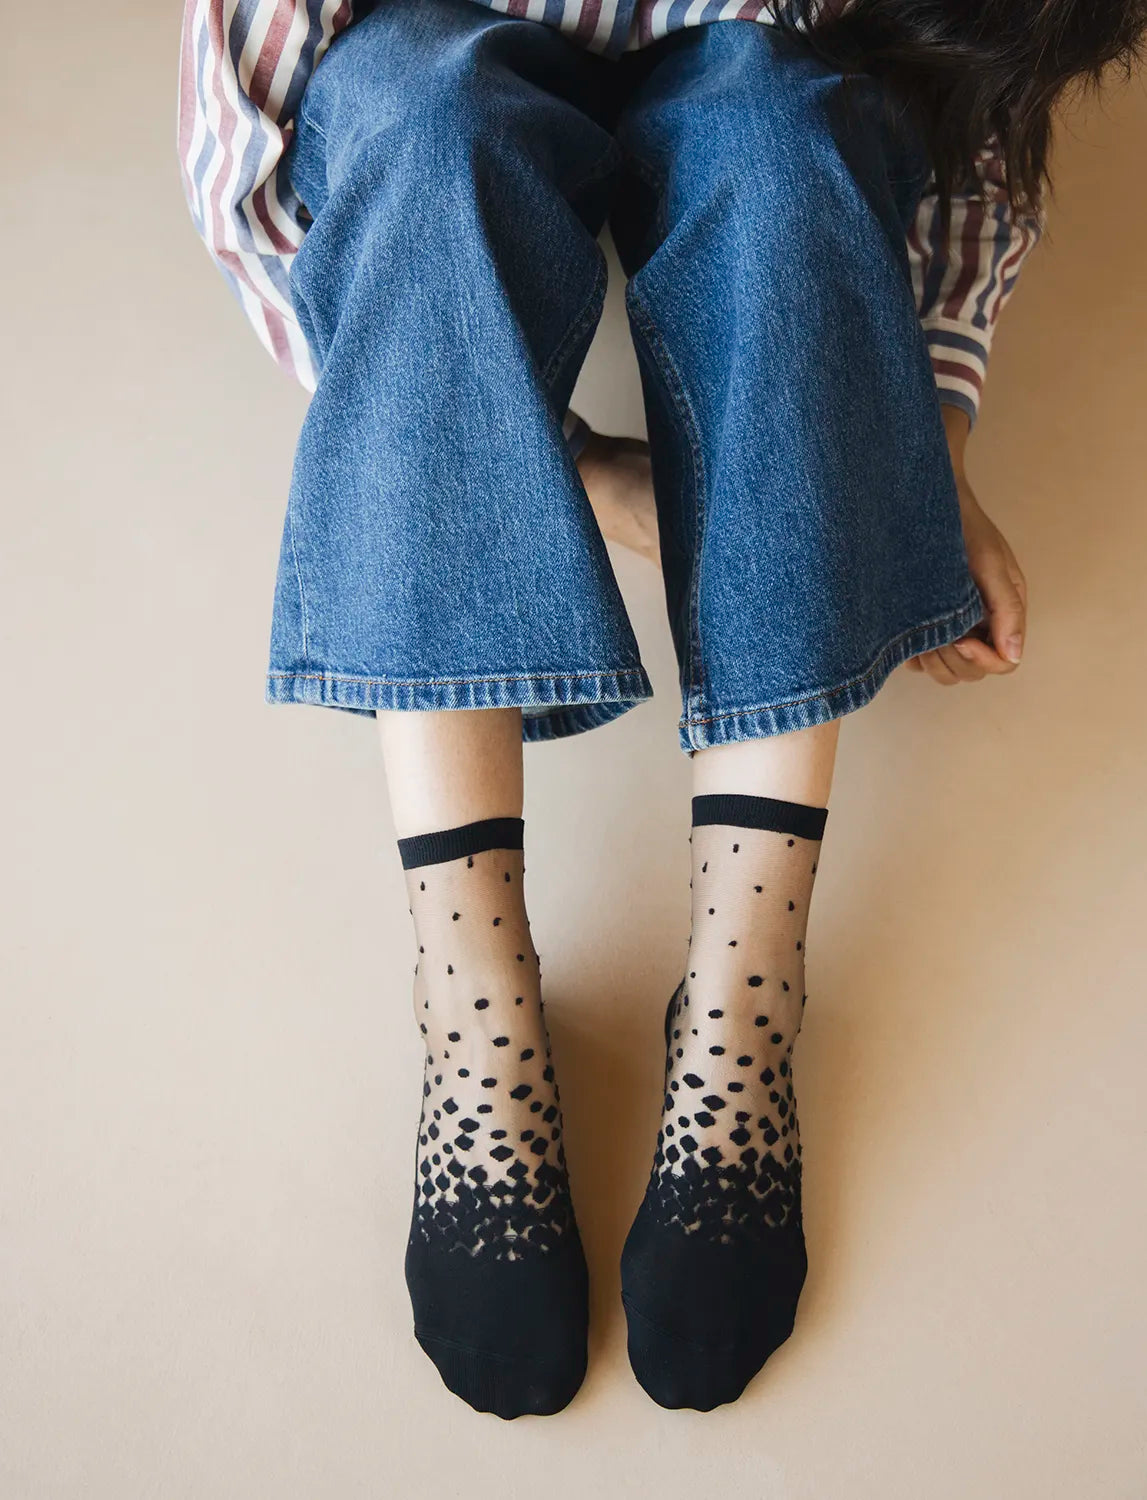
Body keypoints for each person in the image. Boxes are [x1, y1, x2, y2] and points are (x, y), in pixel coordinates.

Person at [176, 0, 1144, 1419]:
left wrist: (926, 441)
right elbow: (251, 183)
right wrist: (555, 462)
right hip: (435, 65)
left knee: (790, 145)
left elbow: (961, 131)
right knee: (424, 136)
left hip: (758, 63)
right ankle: (471, 1003)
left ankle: (747, 991)